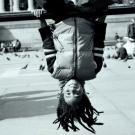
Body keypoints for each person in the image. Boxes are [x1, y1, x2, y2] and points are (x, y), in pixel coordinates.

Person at [32, 0, 114, 133]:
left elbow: (48, 44)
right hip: (86, 18)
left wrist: (41, 19)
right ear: (83, 92)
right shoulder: (93, 70)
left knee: (45, 2)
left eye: (68, 93)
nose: (73, 89)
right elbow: (99, 42)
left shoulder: (55, 71)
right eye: (77, 93)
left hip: (62, 18)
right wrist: (103, 17)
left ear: (62, 92)